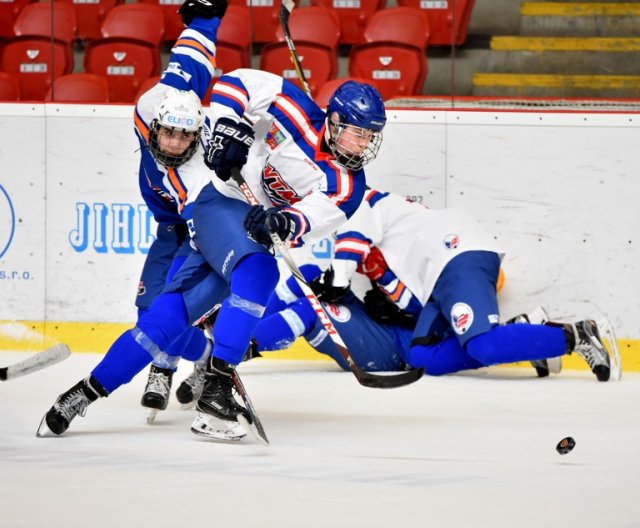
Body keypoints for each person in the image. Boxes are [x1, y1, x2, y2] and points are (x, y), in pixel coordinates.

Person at [36, 63, 388, 440]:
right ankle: (216, 392)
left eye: (369, 137)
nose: (363, 144)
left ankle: (80, 394)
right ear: (334, 121)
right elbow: (236, 83)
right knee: (261, 272)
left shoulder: (349, 187)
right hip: (219, 204)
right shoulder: (296, 109)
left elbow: (306, 220)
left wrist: (282, 222)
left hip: (246, 233)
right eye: (356, 133)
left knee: (167, 320)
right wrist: (225, 127)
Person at [250, 189, 621, 382]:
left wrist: (339, 278)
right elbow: (409, 301)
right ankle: (523, 338)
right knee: (422, 356)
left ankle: (576, 336)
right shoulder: (378, 249)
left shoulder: (361, 203)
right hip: (437, 282)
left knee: (483, 344)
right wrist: (393, 308)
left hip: (457, 255)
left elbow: (352, 239)